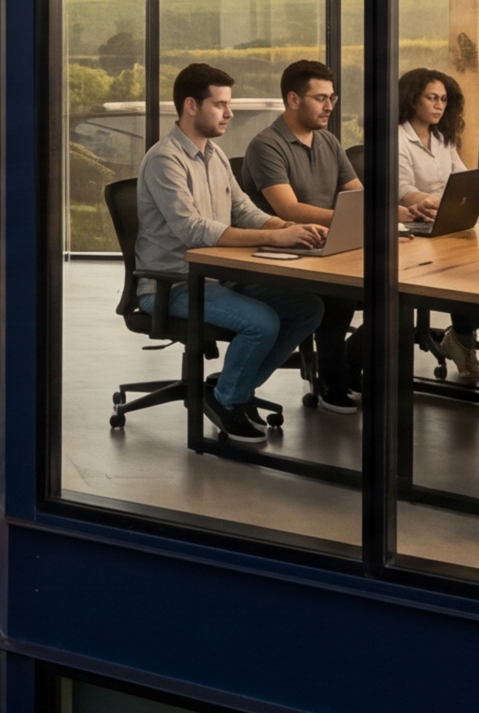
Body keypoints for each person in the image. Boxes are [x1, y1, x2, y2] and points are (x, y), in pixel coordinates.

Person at [137, 62, 326, 444]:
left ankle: (228, 389)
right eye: (220, 105)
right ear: (191, 106)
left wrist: (286, 228)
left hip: (218, 277)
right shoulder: (164, 160)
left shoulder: (216, 155)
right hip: (174, 284)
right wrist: (272, 241)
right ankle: (228, 400)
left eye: (229, 104)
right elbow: (192, 230)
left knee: (308, 308)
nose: (230, 113)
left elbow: (244, 211)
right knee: (262, 323)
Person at [242, 60, 368, 412]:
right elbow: (288, 209)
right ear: (294, 99)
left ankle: (347, 364)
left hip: (328, 246)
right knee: (341, 294)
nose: (330, 106)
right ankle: (332, 382)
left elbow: (356, 194)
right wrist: (351, 219)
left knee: (394, 286)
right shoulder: (266, 145)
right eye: (320, 98)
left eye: (332, 98)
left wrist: (388, 211)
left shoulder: (328, 141)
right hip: (284, 252)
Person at [393, 67, 479, 381]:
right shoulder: (397, 137)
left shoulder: (441, 138)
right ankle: (463, 341)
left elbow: (461, 178)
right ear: (412, 99)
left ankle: (462, 336)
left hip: (445, 220)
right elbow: (402, 189)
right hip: (415, 225)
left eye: (444, 99)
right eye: (432, 98)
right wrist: (434, 201)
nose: (439, 105)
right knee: (463, 270)